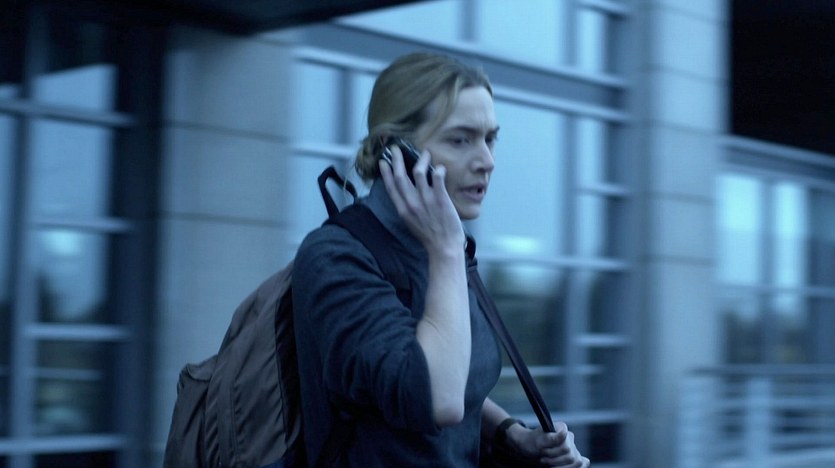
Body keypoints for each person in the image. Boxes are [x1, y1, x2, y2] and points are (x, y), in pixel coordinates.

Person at [292, 52, 590, 468]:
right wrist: (448, 251)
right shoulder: (337, 257)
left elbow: (457, 371)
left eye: (490, 139)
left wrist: (513, 434)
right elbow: (437, 397)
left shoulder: (438, 249)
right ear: (392, 150)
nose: (487, 161)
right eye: (460, 140)